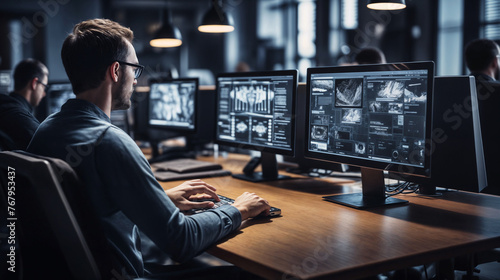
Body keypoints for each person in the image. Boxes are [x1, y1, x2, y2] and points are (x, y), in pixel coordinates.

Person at [27, 19, 271, 278]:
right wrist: (238, 209)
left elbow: (87, 207)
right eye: (135, 69)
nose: (135, 81)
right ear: (116, 71)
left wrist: (160, 200)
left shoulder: (47, 129)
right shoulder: (109, 141)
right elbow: (181, 241)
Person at [0, 58, 49, 150]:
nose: (44, 93)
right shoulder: (21, 118)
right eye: (44, 86)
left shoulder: (4, 107)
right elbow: (50, 149)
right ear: (34, 83)